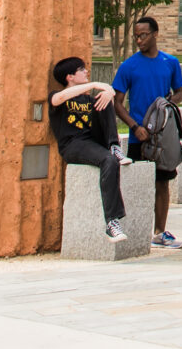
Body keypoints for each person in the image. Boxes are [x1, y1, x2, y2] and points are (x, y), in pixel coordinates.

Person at [111, 15, 182, 248]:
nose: (139, 40)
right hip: (139, 136)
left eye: (143, 35)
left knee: (162, 183)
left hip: (162, 137)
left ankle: (159, 233)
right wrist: (135, 127)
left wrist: (166, 108)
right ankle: (132, 230)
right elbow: (117, 103)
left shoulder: (170, 62)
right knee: (136, 183)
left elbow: (179, 93)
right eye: (136, 36)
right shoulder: (129, 66)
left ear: (155, 34)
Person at [49, 57, 129, 241]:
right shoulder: (58, 97)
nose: (86, 72)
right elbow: (57, 99)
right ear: (70, 77)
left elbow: (108, 95)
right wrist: (94, 84)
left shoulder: (91, 100)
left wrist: (108, 91)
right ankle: (112, 222)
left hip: (94, 141)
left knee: (106, 98)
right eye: (81, 70)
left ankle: (114, 146)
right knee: (108, 161)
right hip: (73, 145)